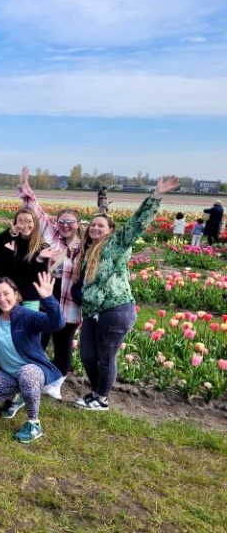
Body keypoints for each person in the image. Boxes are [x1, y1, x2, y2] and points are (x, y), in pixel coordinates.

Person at [73, 176, 179, 411]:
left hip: (115, 310)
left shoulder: (116, 245)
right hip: (91, 311)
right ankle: (95, 392)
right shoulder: (87, 251)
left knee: (105, 357)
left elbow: (137, 223)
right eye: (92, 225)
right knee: (88, 355)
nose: (95, 228)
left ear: (111, 230)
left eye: (101, 225)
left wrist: (156, 196)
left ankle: (101, 399)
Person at [0, 273, 65, 443]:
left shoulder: (27, 316)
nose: (2, 299)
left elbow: (56, 324)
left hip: (32, 371)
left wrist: (48, 299)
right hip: (9, 374)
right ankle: (19, 397)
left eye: (6, 293)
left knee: (27, 374)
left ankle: (33, 424)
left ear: (15, 295)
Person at [18, 166, 82, 377]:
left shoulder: (84, 246)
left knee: (63, 343)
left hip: (70, 302)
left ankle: (58, 381)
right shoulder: (52, 236)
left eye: (69, 222)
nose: (64, 226)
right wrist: (25, 185)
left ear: (78, 224)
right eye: (61, 221)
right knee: (41, 338)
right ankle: (37, 374)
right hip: (46, 297)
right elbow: (37, 211)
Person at [0, 207, 49, 310]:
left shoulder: (42, 247)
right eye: (20, 220)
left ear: (35, 224)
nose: (25, 225)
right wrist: (7, 252)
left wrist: (38, 261)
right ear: (15, 223)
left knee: (27, 325)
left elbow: (33, 278)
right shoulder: (9, 242)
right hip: (7, 296)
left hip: (29, 299)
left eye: (29, 221)